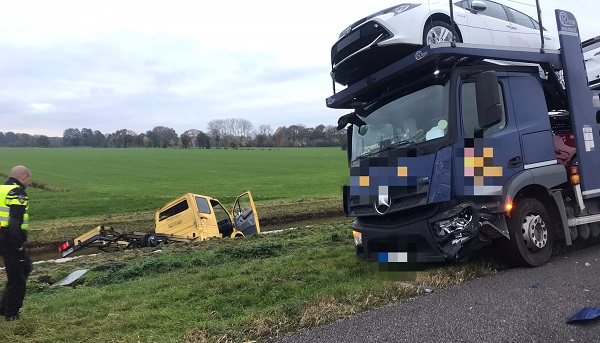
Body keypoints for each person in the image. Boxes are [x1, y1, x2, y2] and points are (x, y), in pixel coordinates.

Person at [0, 165, 32, 321]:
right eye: (29, 179)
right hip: (9, 240)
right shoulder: (17, 193)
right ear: (24, 177)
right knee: (17, 278)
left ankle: (3, 307)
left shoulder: (2, 189)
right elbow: (14, 222)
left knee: (26, 266)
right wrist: (18, 243)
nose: (29, 182)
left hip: (2, 237)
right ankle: (11, 314)